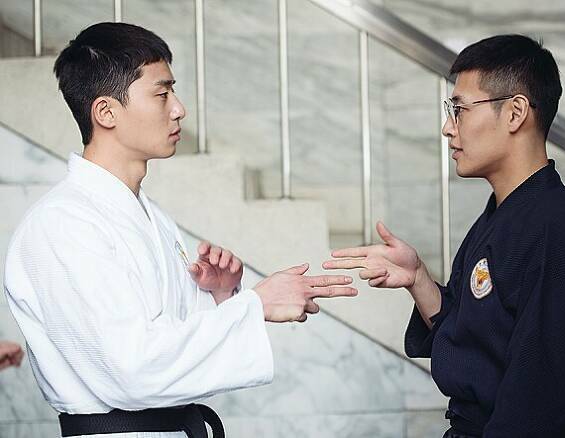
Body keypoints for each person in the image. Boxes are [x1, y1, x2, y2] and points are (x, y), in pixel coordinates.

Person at [3, 22, 357, 438]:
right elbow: (133, 370)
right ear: (106, 112)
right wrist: (256, 304)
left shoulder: (150, 217)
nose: (179, 109)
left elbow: (174, 347)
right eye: (162, 94)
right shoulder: (63, 225)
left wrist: (221, 298)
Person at [324, 34, 565, 437]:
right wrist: (418, 279)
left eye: (459, 110)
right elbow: (472, 338)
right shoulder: (502, 214)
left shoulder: (558, 229)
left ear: (515, 113)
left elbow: (539, 400)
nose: (448, 128)